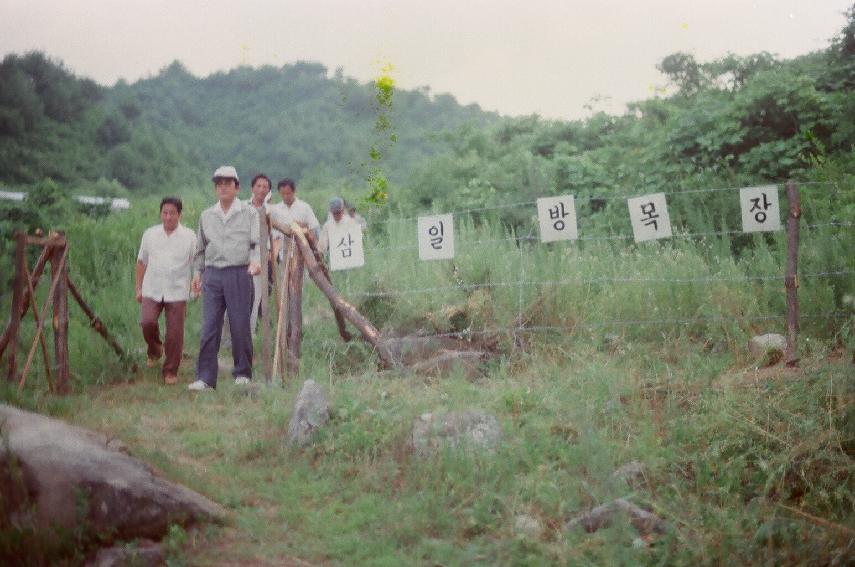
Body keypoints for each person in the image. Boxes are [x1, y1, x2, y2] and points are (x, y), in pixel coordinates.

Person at [188, 166, 261, 391]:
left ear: (237, 187)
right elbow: (200, 248)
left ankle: (243, 373)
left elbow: (257, 243)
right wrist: (197, 274)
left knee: (240, 324)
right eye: (219, 183)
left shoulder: (249, 213)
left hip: (239, 272)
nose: (223, 187)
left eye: (228, 183)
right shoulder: (207, 215)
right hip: (213, 274)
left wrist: (256, 261)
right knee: (210, 325)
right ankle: (206, 377)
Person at [135, 197, 196, 385]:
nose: (168, 217)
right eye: (165, 213)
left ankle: (170, 371)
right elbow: (141, 261)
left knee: (174, 333)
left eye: (172, 213)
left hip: (177, 290)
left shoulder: (189, 236)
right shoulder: (150, 234)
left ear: (179, 215)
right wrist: (138, 287)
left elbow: (196, 263)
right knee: (147, 322)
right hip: (152, 288)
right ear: (161, 213)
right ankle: (154, 350)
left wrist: (196, 283)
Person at [268, 178, 320, 261]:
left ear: (294, 191)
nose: (285, 196)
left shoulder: (305, 207)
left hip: (304, 255)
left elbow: (314, 229)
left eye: (288, 193)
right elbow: (274, 236)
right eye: (283, 194)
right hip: (283, 255)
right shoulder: (276, 210)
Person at [248, 173, 273, 334]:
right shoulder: (243, 207)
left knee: (256, 297)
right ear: (252, 188)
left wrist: (269, 258)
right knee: (237, 297)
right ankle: (229, 339)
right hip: (241, 254)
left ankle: (249, 336)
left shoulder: (272, 211)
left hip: (260, 254)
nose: (261, 189)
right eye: (259, 186)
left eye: (265, 187)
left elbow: (275, 239)